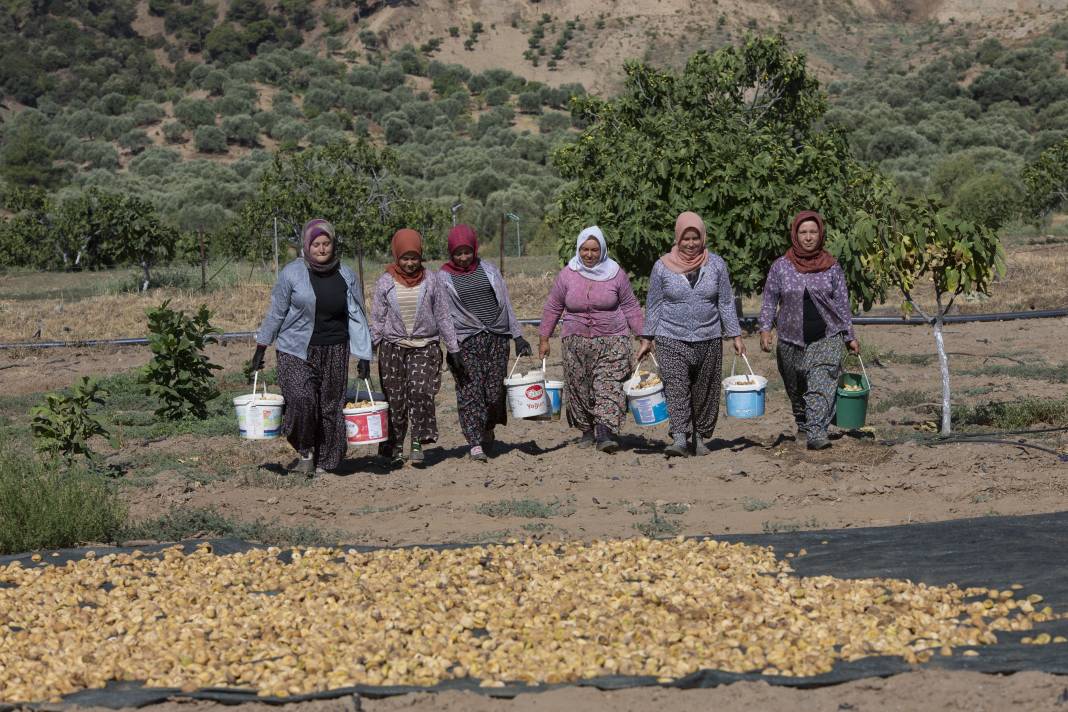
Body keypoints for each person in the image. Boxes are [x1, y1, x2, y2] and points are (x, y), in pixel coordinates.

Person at [251, 218, 372, 476]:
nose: (321, 249)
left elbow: (358, 315)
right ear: (307, 245)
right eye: (316, 244)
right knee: (302, 398)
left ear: (333, 245)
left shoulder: (346, 274)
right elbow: (276, 312)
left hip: (336, 348)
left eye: (326, 243)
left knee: (330, 406)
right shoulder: (291, 273)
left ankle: (325, 462)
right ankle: (305, 450)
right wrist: (261, 346)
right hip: (295, 348)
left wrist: (364, 355)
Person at [635, 212, 745, 457]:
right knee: (676, 387)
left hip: (709, 336)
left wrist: (735, 336)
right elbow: (653, 304)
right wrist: (647, 338)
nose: (691, 243)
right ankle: (680, 438)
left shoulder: (716, 264)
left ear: (703, 238)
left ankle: (699, 437)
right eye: (686, 238)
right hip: (670, 335)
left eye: (696, 238)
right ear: (678, 238)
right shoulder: (662, 266)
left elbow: (725, 302)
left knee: (704, 390)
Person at [758, 210, 860, 450]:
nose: (808, 237)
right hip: (790, 338)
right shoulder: (781, 267)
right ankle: (803, 423)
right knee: (796, 389)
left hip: (827, 336)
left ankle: (816, 432)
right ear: (795, 234)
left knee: (821, 383)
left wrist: (849, 336)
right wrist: (765, 328)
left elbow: (842, 304)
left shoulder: (832, 267)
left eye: (813, 232)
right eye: (803, 232)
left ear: (820, 234)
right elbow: (770, 299)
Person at [539, 226, 643, 453]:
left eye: (594, 250)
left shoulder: (616, 274)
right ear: (578, 249)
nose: (589, 254)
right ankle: (586, 429)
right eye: (585, 249)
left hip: (612, 341)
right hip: (575, 342)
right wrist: (544, 337)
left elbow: (630, 305)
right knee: (579, 388)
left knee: (608, 385)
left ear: (602, 250)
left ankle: (605, 432)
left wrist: (642, 335)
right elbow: (553, 306)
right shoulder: (567, 274)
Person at [440, 224, 532, 462]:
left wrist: (518, 335)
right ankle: (474, 442)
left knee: (493, 393)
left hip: (496, 339)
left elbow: (505, 303)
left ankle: (487, 428)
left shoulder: (488, 269)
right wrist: (453, 348)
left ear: (474, 249)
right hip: (466, 342)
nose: (463, 257)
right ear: (451, 253)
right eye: (458, 253)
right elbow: (444, 316)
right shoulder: (443, 277)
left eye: (467, 252)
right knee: (470, 392)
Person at [370, 228, 461, 465]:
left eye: (414, 258)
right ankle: (396, 445)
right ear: (396, 257)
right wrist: (368, 349)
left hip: (424, 346)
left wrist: (453, 348)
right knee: (395, 398)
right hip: (393, 347)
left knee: (420, 392)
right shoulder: (385, 282)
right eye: (405, 258)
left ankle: (418, 441)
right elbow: (378, 318)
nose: (410, 263)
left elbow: (442, 316)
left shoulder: (431, 280)